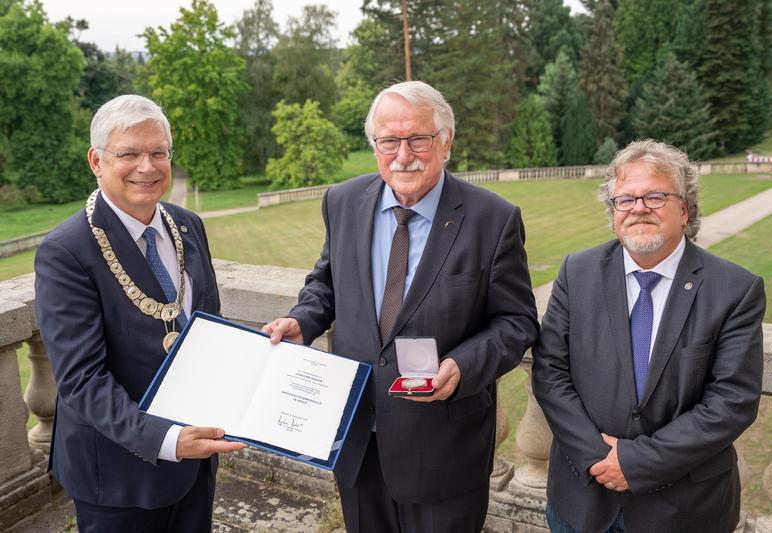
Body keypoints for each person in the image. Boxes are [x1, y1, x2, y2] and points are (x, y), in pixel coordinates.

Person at [264, 80, 538, 532]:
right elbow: (327, 283)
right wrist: (303, 319)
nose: (402, 154)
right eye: (388, 141)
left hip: (444, 451)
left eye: (418, 139)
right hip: (354, 437)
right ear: (375, 143)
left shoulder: (493, 219)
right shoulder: (343, 201)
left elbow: (517, 321)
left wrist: (464, 366)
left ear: (446, 141)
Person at [34, 94, 246, 533]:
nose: (146, 167)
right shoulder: (66, 252)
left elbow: (209, 332)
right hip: (117, 474)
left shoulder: (187, 224)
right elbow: (81, 380)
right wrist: (167, 440)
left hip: (197, 460)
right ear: (96, 160)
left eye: (157, 153)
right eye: (128, 154)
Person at [533, 139, 765, 533]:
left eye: (655, 196)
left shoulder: (735, 289)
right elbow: (550, 372)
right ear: (614, 212)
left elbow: (731, 402)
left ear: (685, 208)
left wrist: (636, 463)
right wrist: (597, 457)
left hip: (684, 511)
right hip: (582, 500)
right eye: (625, 199)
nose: (638, 208)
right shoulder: (578, 272)